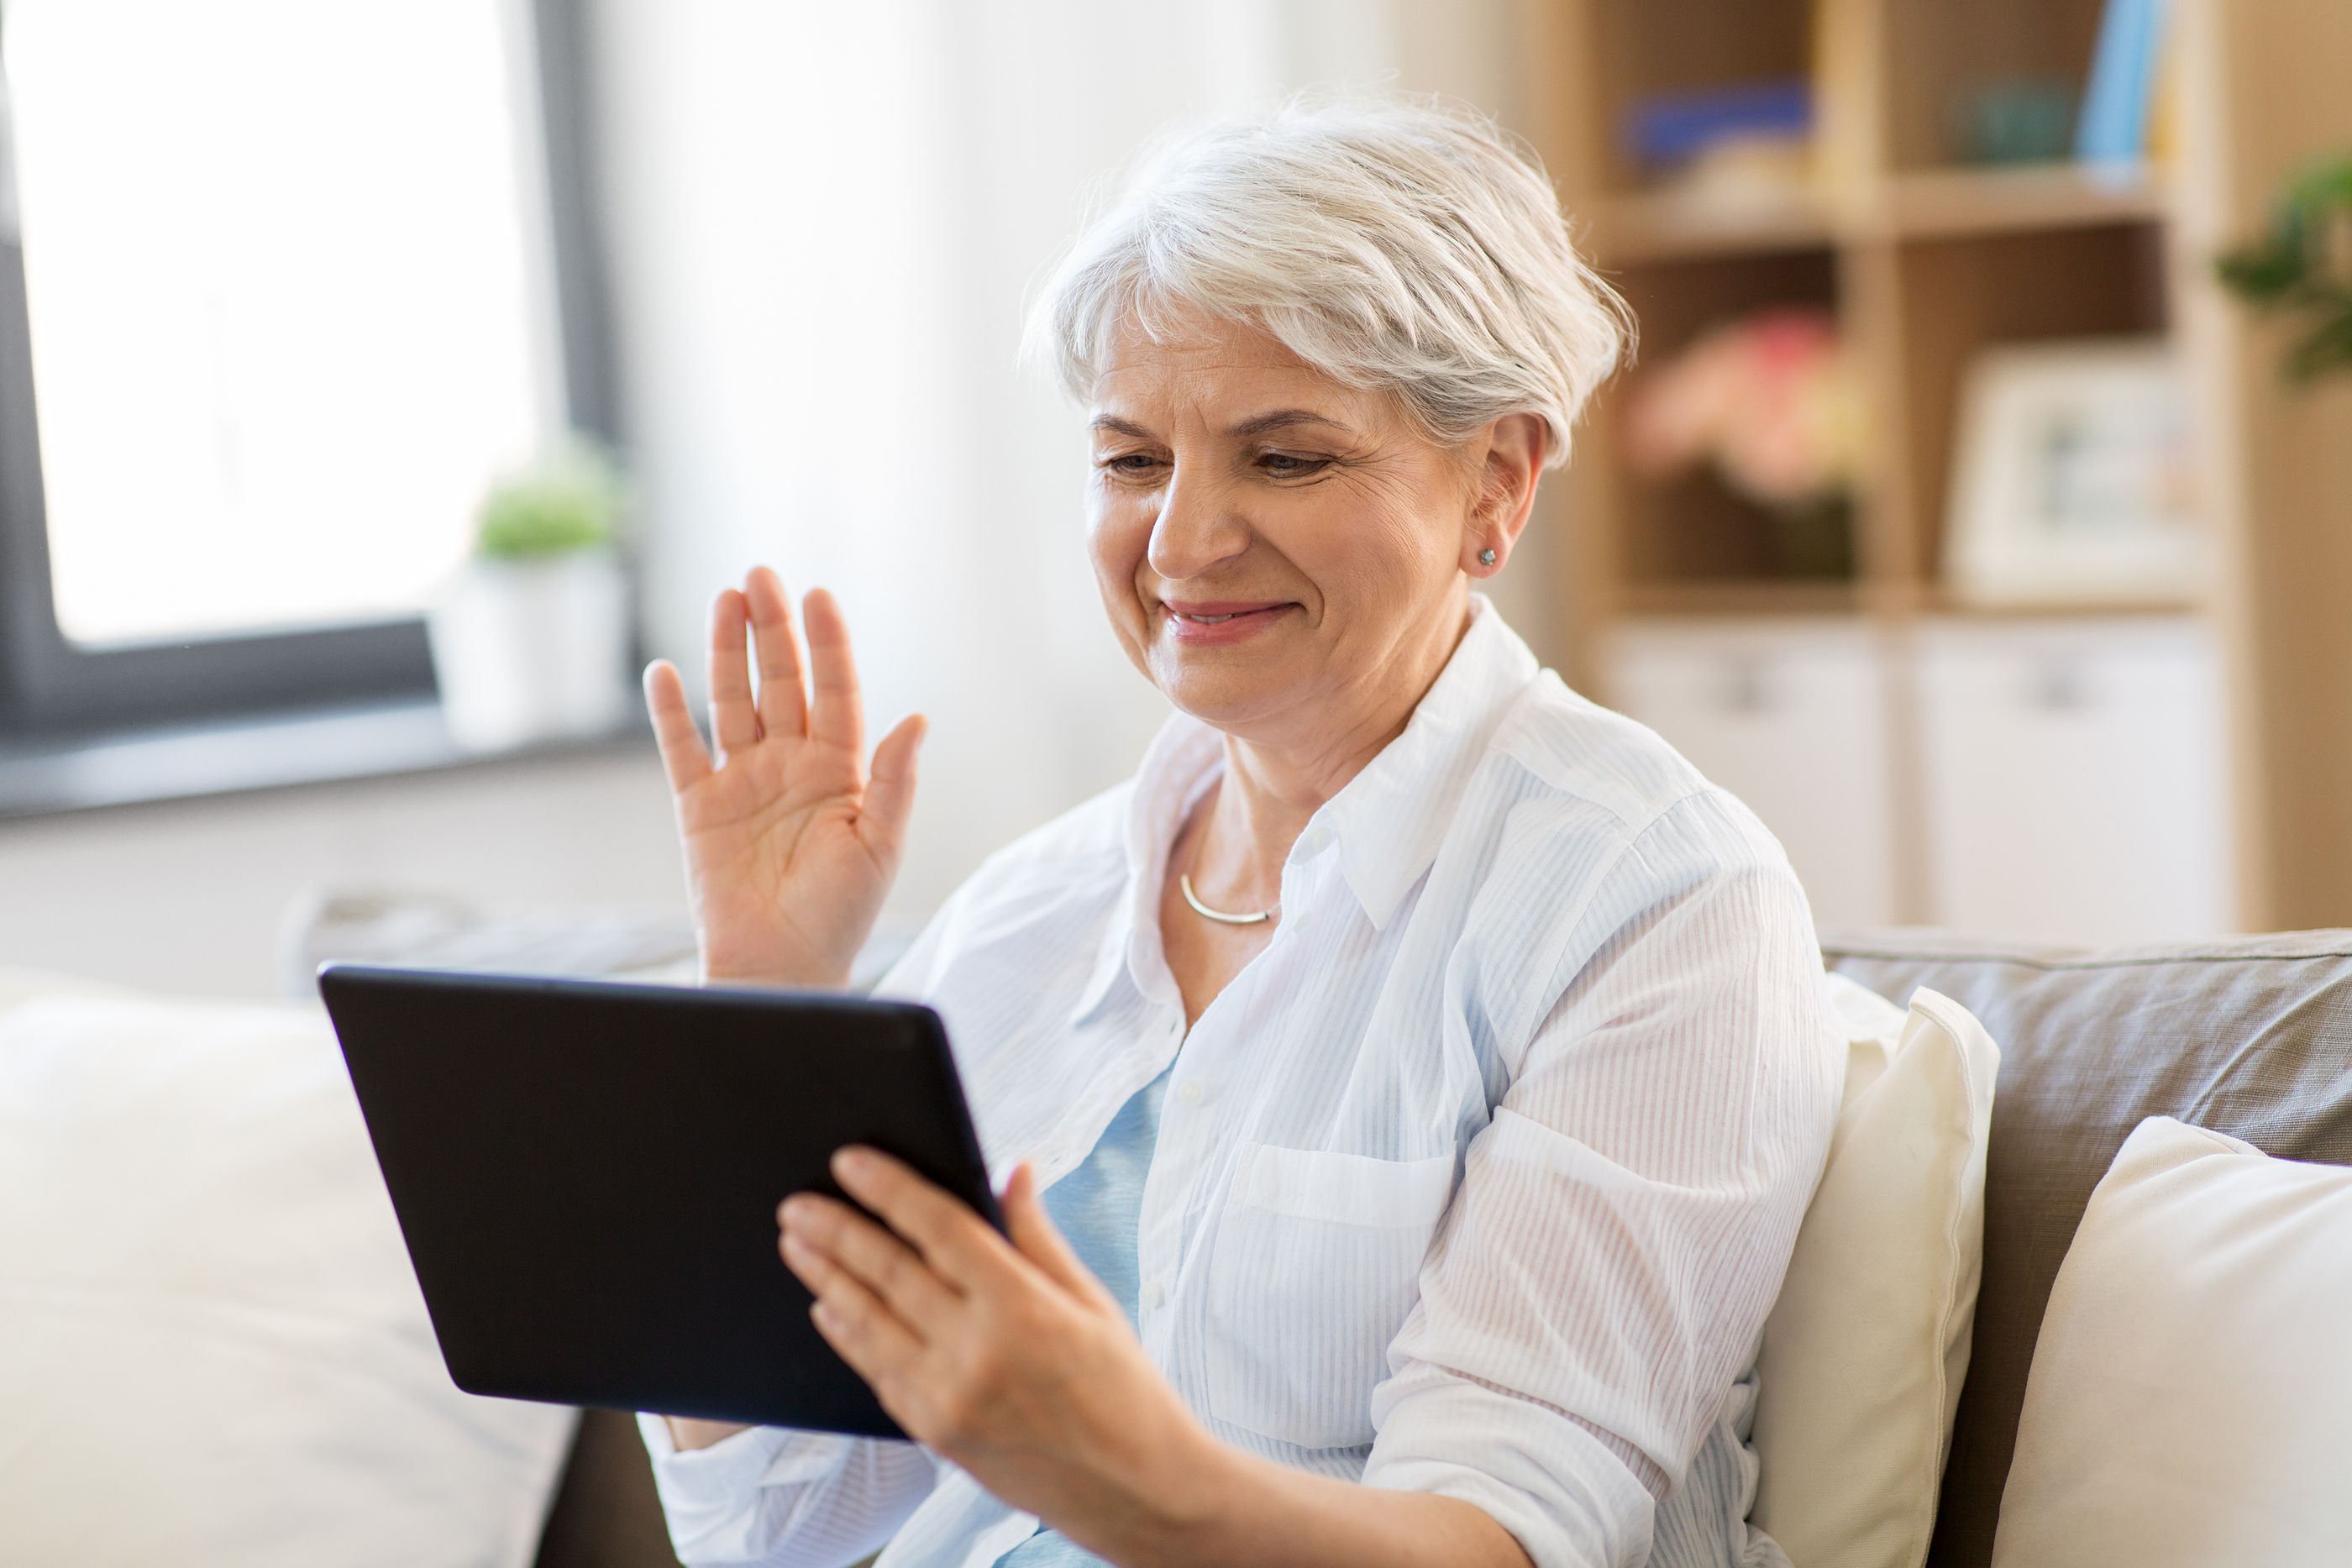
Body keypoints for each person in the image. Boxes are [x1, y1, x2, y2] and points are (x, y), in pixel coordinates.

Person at [634, 96, 1840, 1568]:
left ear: (1499, 481)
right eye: (1134, 461)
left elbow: (1500, 1543)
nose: (1185, 542)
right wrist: (758, 1015)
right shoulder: (1038, 911)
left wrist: (1109, 1466)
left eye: (1285, 458)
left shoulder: (1653, 899)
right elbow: (774, 1528)